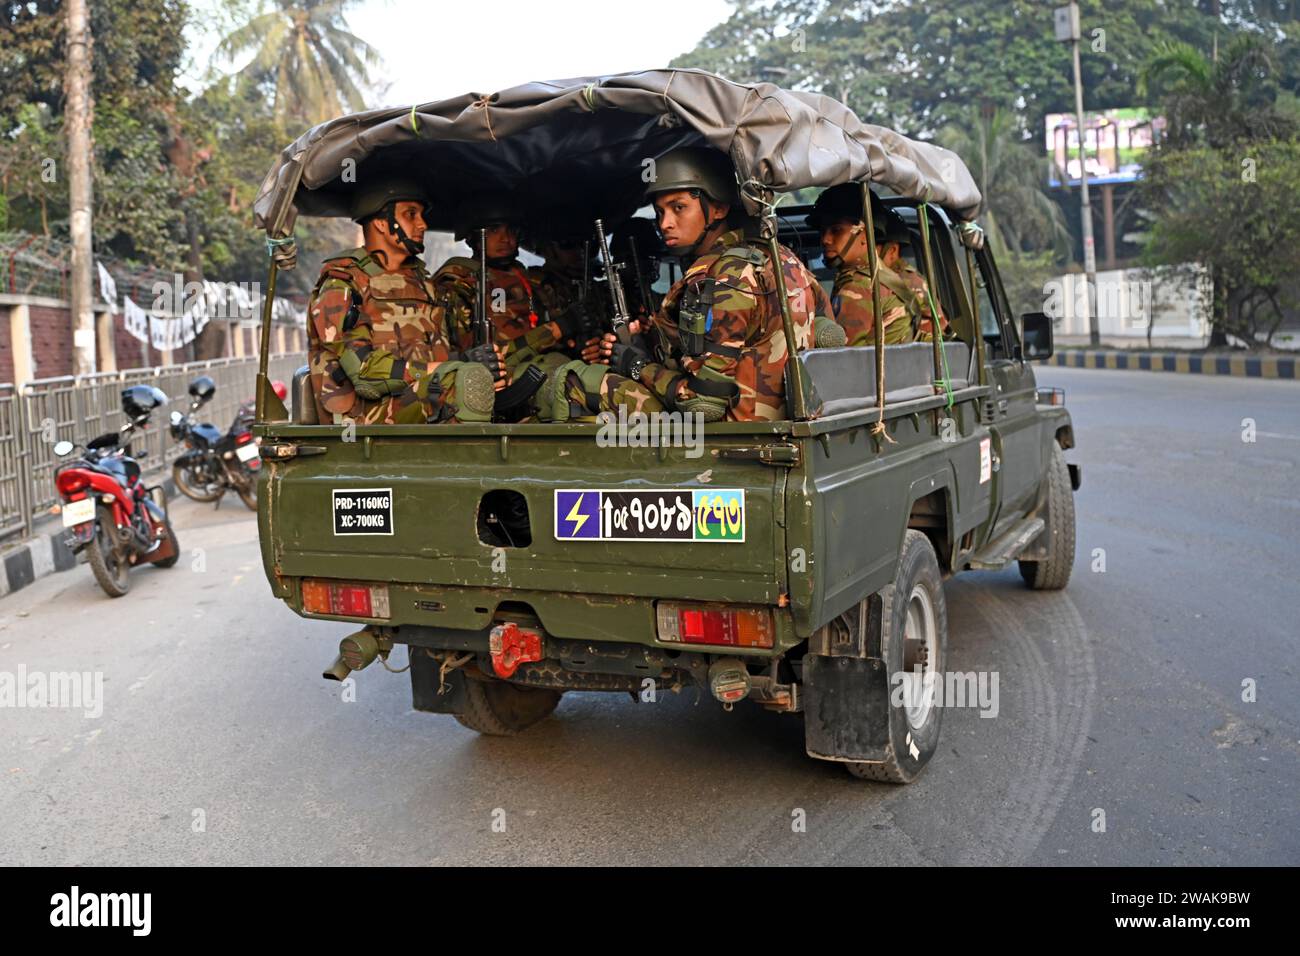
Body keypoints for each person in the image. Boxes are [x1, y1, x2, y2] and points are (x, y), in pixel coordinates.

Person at [587, 146, 821, 421]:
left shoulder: (722, 279)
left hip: (735, 435)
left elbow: (703, 404)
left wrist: (636, 365)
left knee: (577, 381)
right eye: (660, 212)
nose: (665, 224)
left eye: (679, 208)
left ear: (719, 208)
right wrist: (649, 341)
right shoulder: (785, 259)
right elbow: (830, 335)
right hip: (782, 421)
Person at [436, 195, 661, 421]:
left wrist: (583, 345)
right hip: (499, 384)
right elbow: (472, 357)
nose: (505, 238)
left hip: (548, 372)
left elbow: (559, 333)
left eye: (511, 230)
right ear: (473, 238)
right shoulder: (459, 284)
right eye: (494, 230)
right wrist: (556, 329)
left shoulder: (533, 281)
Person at [306, 180, 502, 425]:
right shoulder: (342, 283)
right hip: (366, 416)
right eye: (411, 215)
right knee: (465, 380)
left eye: (421, 215)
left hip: (424, 399)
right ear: (380, 223)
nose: (423, 224)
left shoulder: (425, 284)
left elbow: (444, 353)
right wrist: (457, 368)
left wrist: (482, 365)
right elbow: (365, 374)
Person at [807, 183, 922, 347]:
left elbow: (837, 360)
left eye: (836, 230)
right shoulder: (882, 277)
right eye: (823, 231)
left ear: (866, 235)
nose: (825, 239)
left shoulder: (858, 286)